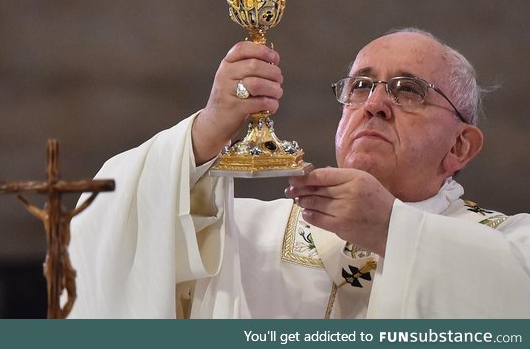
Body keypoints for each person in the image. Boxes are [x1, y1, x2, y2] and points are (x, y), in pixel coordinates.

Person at [67, 28, 530, 318]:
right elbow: (100, 226)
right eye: (360, 86)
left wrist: (391, 229)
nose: (374, 105)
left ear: (460, 146)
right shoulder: (240, 235)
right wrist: (207, 130)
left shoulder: (512, 244)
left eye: (408, 91)